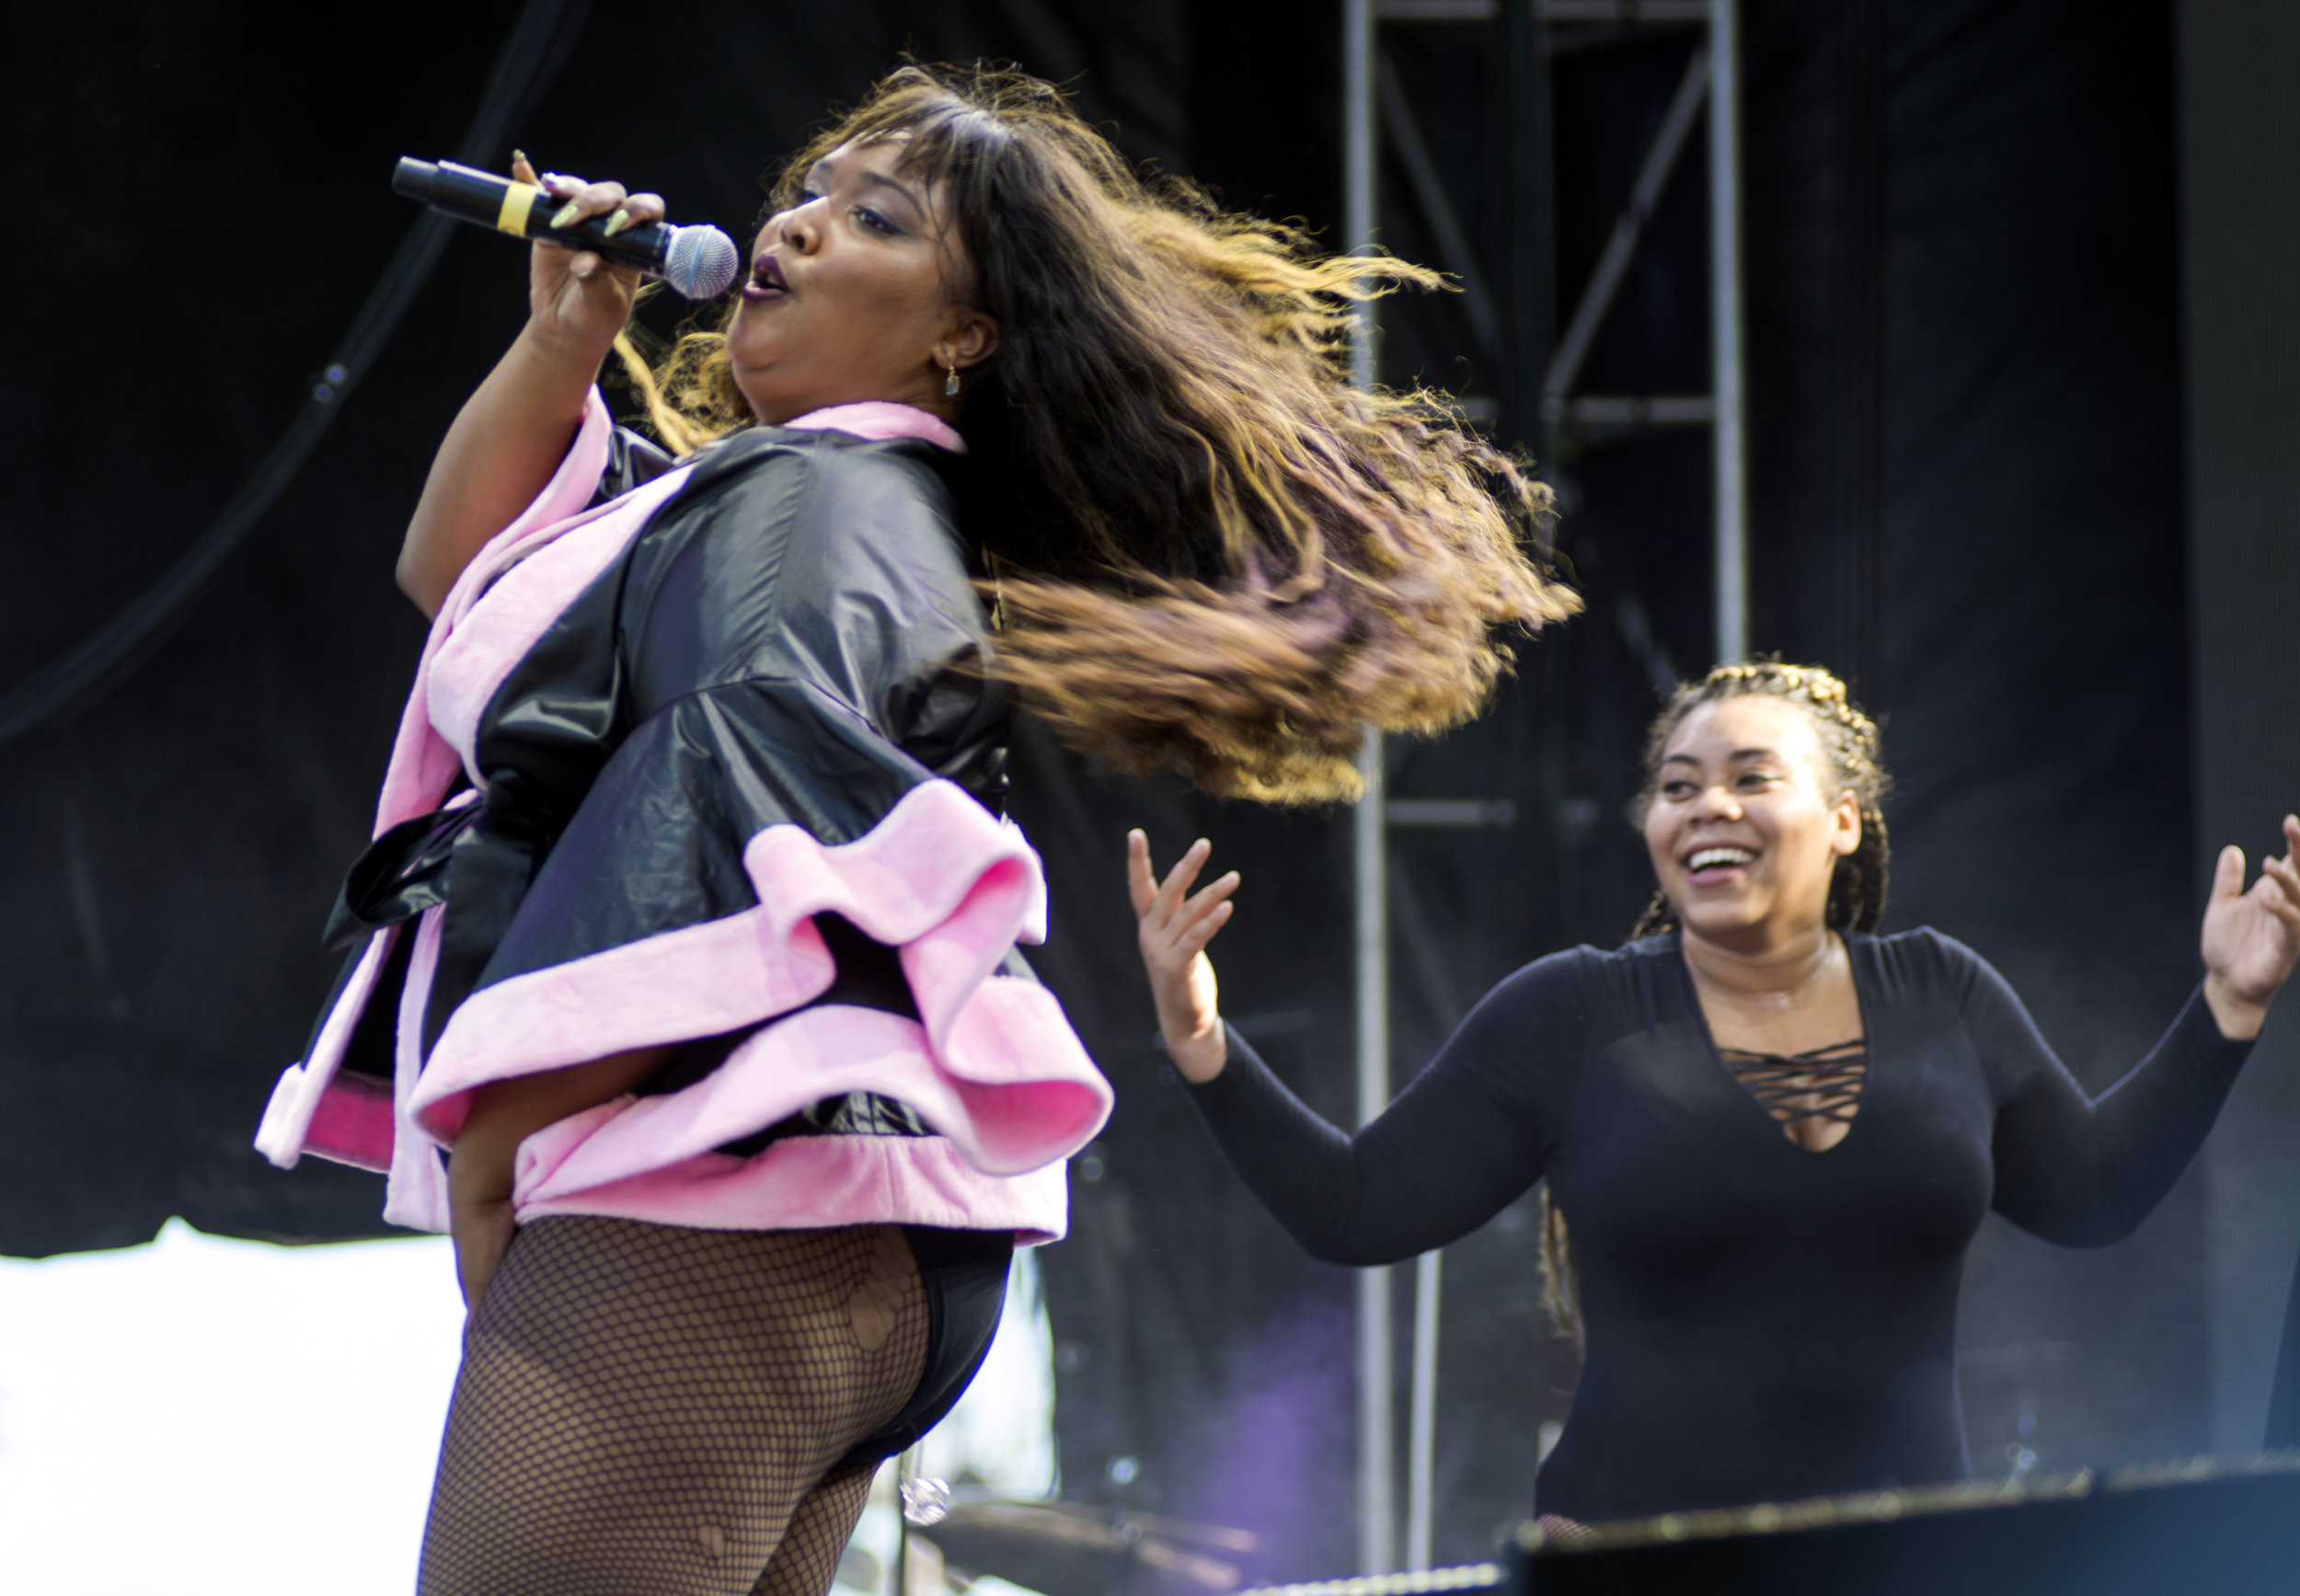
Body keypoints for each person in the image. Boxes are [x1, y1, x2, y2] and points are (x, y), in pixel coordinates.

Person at [253, 64, 1576, 1596]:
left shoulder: (814, 505)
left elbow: (727, 786)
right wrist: (566, 336)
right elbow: (465, 577)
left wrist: (499, 1137)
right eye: (807, 192)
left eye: (870, 216)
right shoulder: (800, 501)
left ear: (962, 337)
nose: (800, 225)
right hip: (862, 1234)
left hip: (735, 1199)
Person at [1131, 660, 2300, 1526]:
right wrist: (1201, 1036)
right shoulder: (1574, 1012)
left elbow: (2093, 1195)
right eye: (1678, 786)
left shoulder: (1942, 991)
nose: (1706, 807)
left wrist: (2227, 1008)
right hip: (1637, 1559)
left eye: (1751, 777)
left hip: (1903, 1561)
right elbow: (1356, 1206)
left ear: (1843, 820)